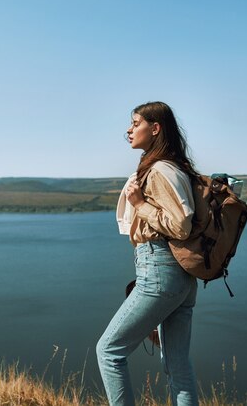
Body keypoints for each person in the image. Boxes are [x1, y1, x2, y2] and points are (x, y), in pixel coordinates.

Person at [96, 101, 200, 406]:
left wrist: (140, 204)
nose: (129, 130)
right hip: (181, 276)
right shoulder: (176, 167)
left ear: (155, 129)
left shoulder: (158, 170)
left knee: (109, 351)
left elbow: (181, 225)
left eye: (136, 123)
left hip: (160, 273)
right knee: (178, 366)